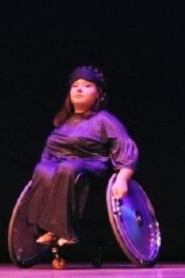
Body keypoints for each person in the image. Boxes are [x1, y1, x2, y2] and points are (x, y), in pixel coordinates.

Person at [25, 66, 138, 247]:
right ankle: (46, 228)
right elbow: (48, 155)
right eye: (75, 86)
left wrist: (122, 179)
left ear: (98, 94)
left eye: (86, 86)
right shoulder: (62, 122)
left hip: (91, 166)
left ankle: (66, 231)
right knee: (43, 169)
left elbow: (125, 149)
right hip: (60, 169)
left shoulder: (104, 120)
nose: (79, 89)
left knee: (68, 168)